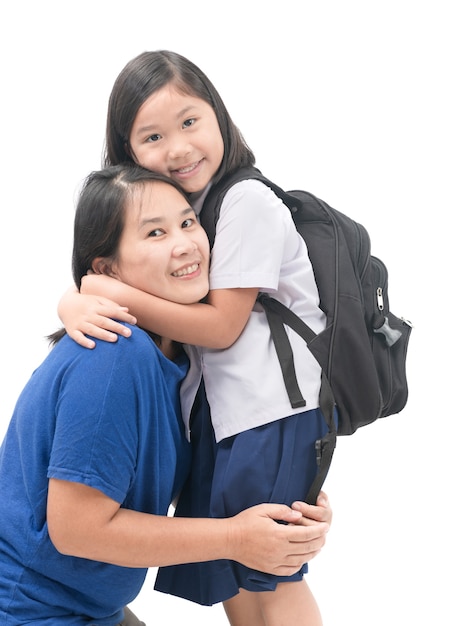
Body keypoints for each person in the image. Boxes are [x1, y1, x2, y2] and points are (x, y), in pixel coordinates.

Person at [57, 51, 332, 625]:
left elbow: (221, 326)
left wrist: (108, 290)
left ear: (220, 118)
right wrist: (77, 296)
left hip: (271, 411)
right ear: (127, 151)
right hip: (226, 416)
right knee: (233, 562)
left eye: (189, 122)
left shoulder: (247, 201)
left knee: (275, 572)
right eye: (152, 136)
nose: (178, 148)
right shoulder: (191, 209)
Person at [0, 164, 331, 626]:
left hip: (93, 608)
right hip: (31, 610)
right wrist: (234, 538)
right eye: (155, 233)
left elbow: (149, 489)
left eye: (187, 222)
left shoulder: (177, 360)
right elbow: (77, 530)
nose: (184, 244)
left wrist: (285, 506)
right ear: (106, 270)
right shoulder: (115, 357)